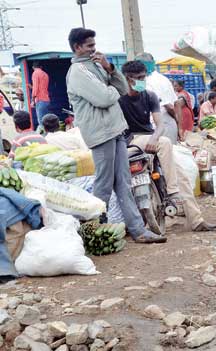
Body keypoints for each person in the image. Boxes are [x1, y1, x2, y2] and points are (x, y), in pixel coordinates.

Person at [65, 27, 165, 243]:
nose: (94, 49)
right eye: (90, 46)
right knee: (103, 184)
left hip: (116, 130)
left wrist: (110, 68)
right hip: (100, 133)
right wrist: (111, 89)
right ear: (77, 47)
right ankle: (95, 232)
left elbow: (120, 87)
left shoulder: (97, 67)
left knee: (124, 182)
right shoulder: (78, 73)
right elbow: (105, 98)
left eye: (94, 44)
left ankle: (138, 230)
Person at [119, 61, 216, 233]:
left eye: (144, 77)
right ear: (128, 79)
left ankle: (196, 220)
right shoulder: (119, 98)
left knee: (182, 175)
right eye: (138, 78)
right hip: (131, 140)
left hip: (152, 137)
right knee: (165, 143)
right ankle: (173, 192)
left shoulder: (149, 96)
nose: (142, 81)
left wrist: (154, 138)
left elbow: (160, 125)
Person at [136, 53, 182, 144]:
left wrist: (177, 123)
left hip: (161, 126)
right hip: (155, 126)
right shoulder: (161, 79)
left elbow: (170, 107)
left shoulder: (155, 80)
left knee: (164, 155)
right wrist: (178, 125)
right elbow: (176, 103)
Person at [31, 62, 50, 128]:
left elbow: (35, 88)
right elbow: (43, 87)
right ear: (41, 67)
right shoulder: (45, 74)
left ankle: (43, 137)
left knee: (41, 123)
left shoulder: (35, 73)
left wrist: (32, 100)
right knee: (47, 121)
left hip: (40, 100)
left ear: (33, 67)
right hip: (47, 100)